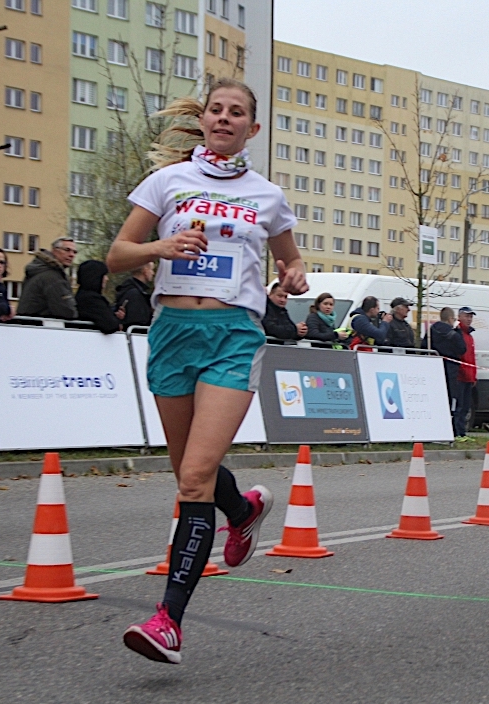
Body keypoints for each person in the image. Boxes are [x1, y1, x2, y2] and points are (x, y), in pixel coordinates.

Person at [105, 78, 305, 664]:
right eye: (216, 109)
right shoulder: (168, 181)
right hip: (172, 332)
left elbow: (291, 261)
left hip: (232, 335)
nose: (223, 118)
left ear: (252, 128)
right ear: (205, 119)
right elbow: (116, 255)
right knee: (193, 473)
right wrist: (159, 248)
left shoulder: (266, 196)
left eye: (236, 112)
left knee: (193, 479)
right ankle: (242, 511)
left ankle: (168, 621)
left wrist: (293, 276)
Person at [16, 237, 78, 319]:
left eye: (74, 252)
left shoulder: (39, 271)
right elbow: (66, 311)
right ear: (54, 250)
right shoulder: (53, 277)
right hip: (41, 324)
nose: (71, 255)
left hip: (30, 322)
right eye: (67, 250)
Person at [426, 306, 466, 413]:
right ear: (450, 319)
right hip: (451, 368)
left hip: (434, 368)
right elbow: (462, 349)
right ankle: (450, 414)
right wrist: (458, 331)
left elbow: (424, 346)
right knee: (451, 395)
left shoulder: (431, 330)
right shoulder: (454, 334)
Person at [75, 260, 123, 334]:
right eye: (104, 275)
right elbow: (110, 325)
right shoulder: (91, 299)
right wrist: (117, 322)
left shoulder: (82, 295)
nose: (107, 279)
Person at [452, 307, 477, 439]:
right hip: (460, 376)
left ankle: (462, 432)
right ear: (459, 317)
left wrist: (474, 376)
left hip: (469, 377)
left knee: (466, 406)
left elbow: (472, 358)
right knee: (459, 406)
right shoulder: (457, 334)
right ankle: (457, 431)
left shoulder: (470, 336)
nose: (469, 319)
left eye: (470, 317)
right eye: (466, 316)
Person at [114, 262, 154, 329]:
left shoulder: (127, 289)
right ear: (145, 271)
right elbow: (138, 323)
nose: (153, 273)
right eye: (151, 269)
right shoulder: (135, 294)